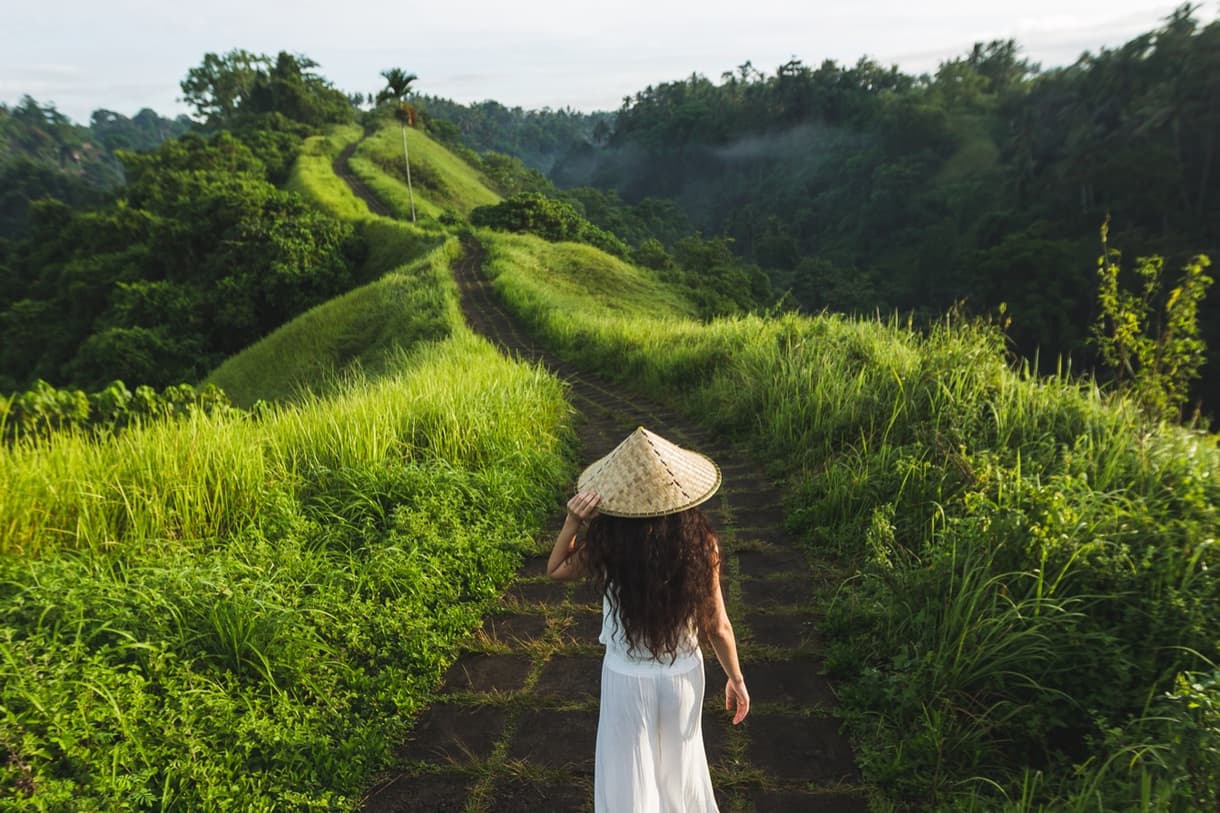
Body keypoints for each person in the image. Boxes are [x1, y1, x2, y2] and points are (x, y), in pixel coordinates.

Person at [546, 426, 750, 813]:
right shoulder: (702, 542)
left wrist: (573, 521)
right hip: (682, 676)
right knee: (682, 776)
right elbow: (717, 625)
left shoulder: (610, 542)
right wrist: (736, 679)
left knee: (629, 780)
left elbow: (556, 569)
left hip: (626, 678)